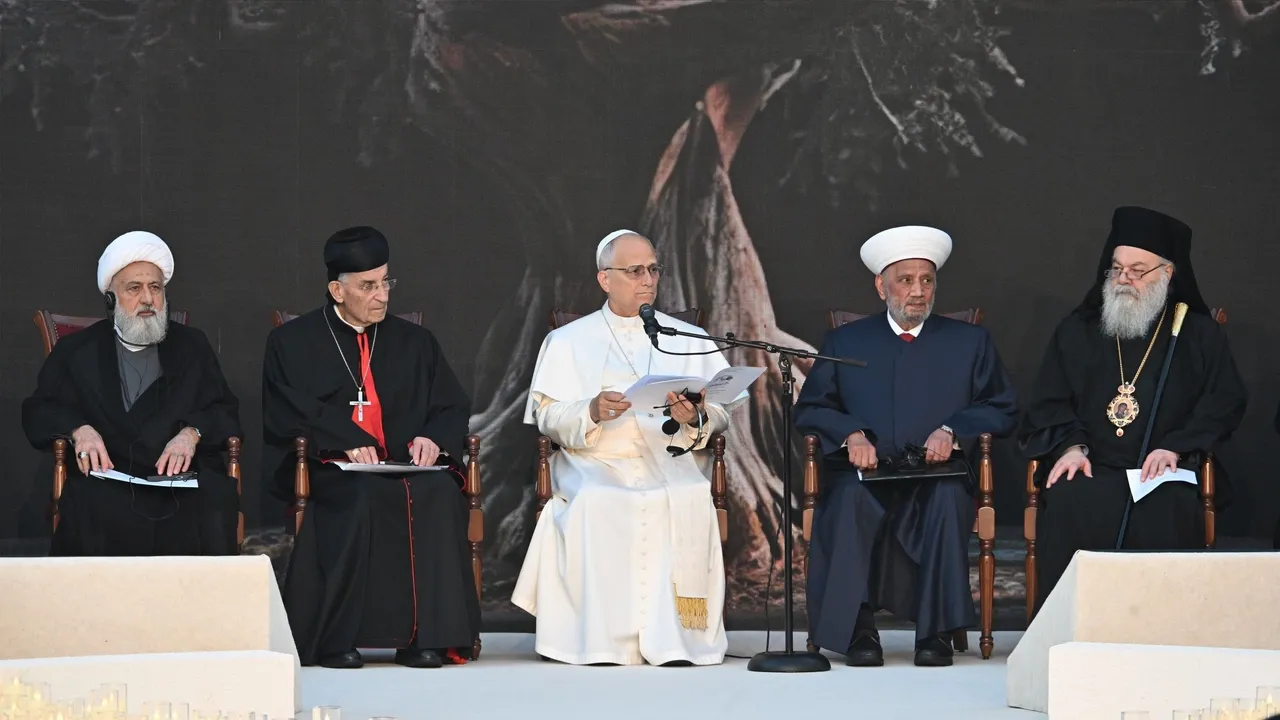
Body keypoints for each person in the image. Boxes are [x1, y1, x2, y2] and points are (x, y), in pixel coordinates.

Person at [512, 229, 749, 666]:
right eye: (635, 270)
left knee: (688, 495)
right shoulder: (568, 340)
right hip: (595, 460)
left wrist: (694, 416)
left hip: (669, 459)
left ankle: (677, 640)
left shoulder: (688, 337)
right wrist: (590, 410)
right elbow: (547, 415)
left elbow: (720, 410)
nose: (648, 280)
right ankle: (598, 640)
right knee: (598, 501)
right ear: (605, 279)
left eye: (654, 269)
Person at [795, 225, 1019, 667]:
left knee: (946, 499)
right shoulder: (845, 342)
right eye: (906, 280)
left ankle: (934, 633)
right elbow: (811, 408)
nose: (918, 291)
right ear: (881, 287)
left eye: (926, 280)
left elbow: (1002, 407)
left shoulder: (970, 341)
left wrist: (953, 429)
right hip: (866, 473)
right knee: (848, 502)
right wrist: (851, 434)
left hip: (937, 473)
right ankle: (859, 630)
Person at [262, 226, 480, 669]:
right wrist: (345, 441)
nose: (382, 296)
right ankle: (337, 638)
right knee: (360, 495)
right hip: (332, 467)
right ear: (337, 291)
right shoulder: (292, 341)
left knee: (439, 492)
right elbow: (286, 410)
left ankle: (427, 639)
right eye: (368, 286)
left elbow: (451, 405)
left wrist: (431, 438)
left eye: (385, 282)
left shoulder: (416, 342)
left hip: (404, 464)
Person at [1019, 206, 1246, 613]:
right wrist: (1071, 447)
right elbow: (1048, 401)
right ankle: (1070, 629)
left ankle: (1159, 631)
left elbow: (1225, 400)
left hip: (1162, 472)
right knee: (1068, 499)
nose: (1124, 279)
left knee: (1170, 507)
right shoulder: (1078, 330)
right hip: (1093, 465)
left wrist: (1176, 446)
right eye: (1117, 269)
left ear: (1167, 273)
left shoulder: (1196, 333)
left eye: (1138, 271)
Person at [22, 231, 242, 556]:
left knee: (213, 498)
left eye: (155, 288)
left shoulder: (192, 346)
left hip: (176, 479)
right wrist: (78, 430)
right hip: (109, 478)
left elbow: (224, 409)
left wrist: (191, 433)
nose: (148, 298)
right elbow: (40, 410)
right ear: (111, 300)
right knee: (90, 503)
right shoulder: (78, 351)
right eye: (134, 288)